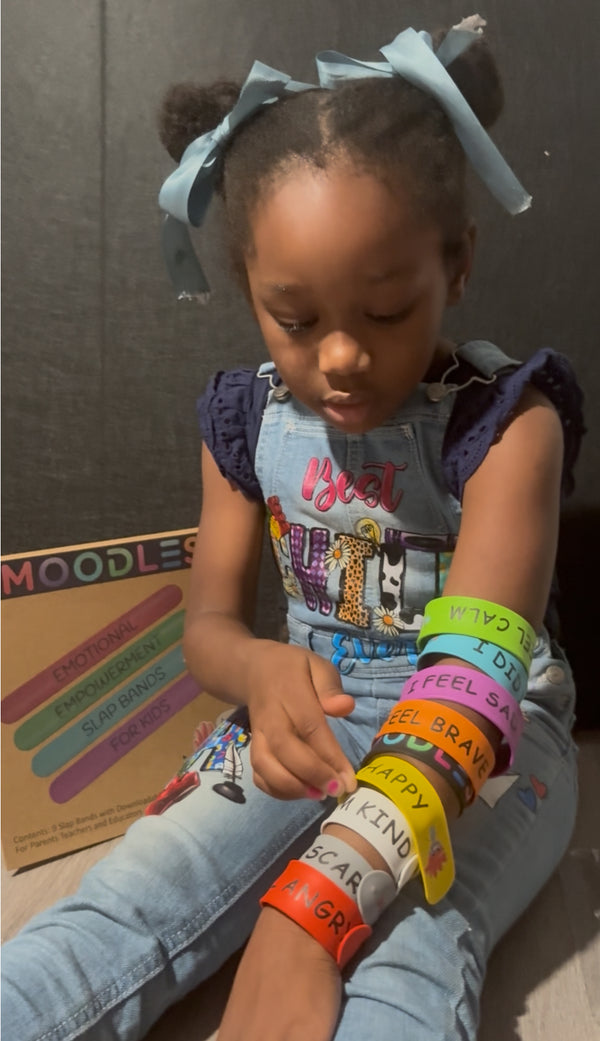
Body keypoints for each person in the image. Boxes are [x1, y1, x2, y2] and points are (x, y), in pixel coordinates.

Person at [2, 18, 585, 1041]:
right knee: (122, 906)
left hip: (488, 742)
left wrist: (314, 912)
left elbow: (478, 675)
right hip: (307, 721)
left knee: (410, 945)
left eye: (389, 308)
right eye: (296, 318)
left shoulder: (507, 423)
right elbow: (210, 625)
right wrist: (259, 672)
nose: (345, 357)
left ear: (456, 266)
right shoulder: (245, 419)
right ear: (249, 295)